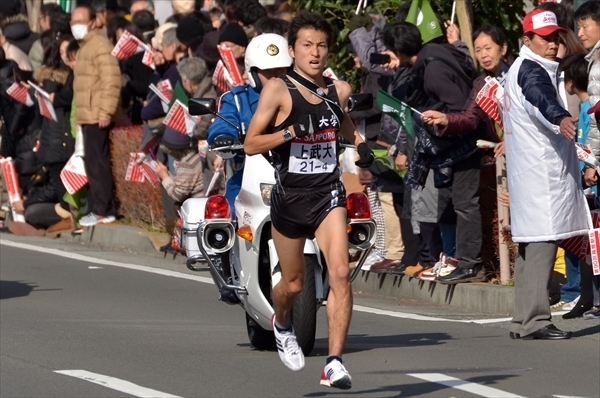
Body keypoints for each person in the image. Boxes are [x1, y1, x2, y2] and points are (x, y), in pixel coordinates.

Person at [244, 13, 373, 389]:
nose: (314, 53)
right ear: (292, 50)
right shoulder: (278, 91)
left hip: (328, 192)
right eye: (306, 45)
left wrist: (362, 149)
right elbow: (252, 143)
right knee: (294, 284)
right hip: (290, 196)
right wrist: (290, 132)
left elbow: (340, 122)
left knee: (340, 273)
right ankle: (281, 320)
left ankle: (333, 362)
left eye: (320, 46)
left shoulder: (339, 90)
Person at [503, 9, 588, 340]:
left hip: (530, 170)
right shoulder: (531, 70)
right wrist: (561, 117)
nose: (553, 44)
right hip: (542, 172)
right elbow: (540, 97)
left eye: (555, 37)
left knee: (529, 245)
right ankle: (537, 320)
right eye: (545, 38)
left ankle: (521, 320)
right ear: (527, 40)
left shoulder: (518, 68)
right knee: (542, 240)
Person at [382, 21, 482, 284]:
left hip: (461, 146)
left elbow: (461, 109)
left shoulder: (433, 70)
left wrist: (441, 118)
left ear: (397, 50)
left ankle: (470, 264)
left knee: (463, 206)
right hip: (459, 146)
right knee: (452, 207)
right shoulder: (440, 53)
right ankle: (457, 261)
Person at [421, 24, 513, 281]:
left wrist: (515, 141)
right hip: (500, 155)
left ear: (503, 48)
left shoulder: (519, 73)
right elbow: (471, 117)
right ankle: (474, 265)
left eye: (489, 48)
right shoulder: (481, 82)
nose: (484, 54)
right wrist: (446, 119)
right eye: (479, 49)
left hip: (525, 152)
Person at [208, 33, 292, 214]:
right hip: (247, 177)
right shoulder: (238, 99)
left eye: (281, 70)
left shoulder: (303, 96)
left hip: (298, 175)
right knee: (229, 213)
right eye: (268, 72)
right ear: (253, 72)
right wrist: (224, 136)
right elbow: (224, 121)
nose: (276, 77)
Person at [71, 4, 121, 227]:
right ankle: (101, 207)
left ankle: (103, 209)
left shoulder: (98, 45)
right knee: (93, 163)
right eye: (73, 22)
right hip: (87, 113)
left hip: (96, 113)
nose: (76, 26)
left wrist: (105, 111)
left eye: (80, 21)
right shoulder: (86, 46)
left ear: (92, 22)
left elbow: (111, 79)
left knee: (98, 163)